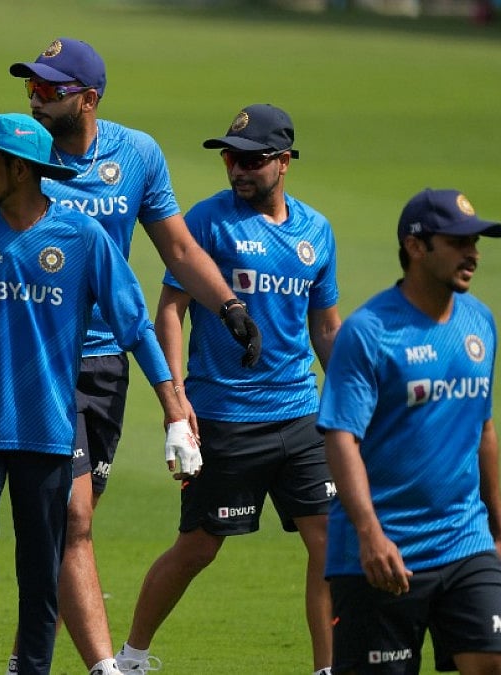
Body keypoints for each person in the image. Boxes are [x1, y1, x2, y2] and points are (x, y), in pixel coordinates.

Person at [0, 39, 261, 675]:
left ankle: (24, 658)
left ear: (88, 99)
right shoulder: (11, 153)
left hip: (101, 365)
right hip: (28, 362)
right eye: (31, 88)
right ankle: (102, 666)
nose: (34, 99)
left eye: (48, 90)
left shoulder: (137, 155)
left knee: (73, 523)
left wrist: (228, 305)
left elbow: (177, 251)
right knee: (71, 518)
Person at [0, 112, 197, 675]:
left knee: (40, 571)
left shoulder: (81, 237)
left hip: (47, 431)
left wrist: (174, 408)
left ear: (21, 170)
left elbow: (134, 326)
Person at [116, 104, 340, 675]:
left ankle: (328, 668)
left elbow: (325, 327)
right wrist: (178, 400)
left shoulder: (316, 231)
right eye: (229, 158)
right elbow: (171, 308)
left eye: (251, 160)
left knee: (330, 544)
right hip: (225, 417)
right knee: (198, 548)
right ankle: (133, 656)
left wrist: (348, 397)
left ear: (284, 162)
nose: (237, 170)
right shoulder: (208, 222)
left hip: (301, 416)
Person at [318, 188, 501, 674]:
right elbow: (341, 437)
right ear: (416, 247)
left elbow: (483, 429)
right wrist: (370, 535)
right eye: (459, 242)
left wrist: (498, 529)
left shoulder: (479, 322)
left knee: (491, 661)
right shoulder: (370, 332)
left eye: (476, 243)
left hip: (466, 540)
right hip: (382, 552)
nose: (473, 254)